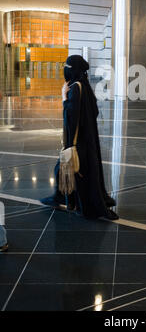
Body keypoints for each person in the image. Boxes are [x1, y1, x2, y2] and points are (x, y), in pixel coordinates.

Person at [41, 55, 118, 221]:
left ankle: (77, 204)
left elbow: (71, 114)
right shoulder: (85, 86)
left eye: (67, 66)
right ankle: (61, 198)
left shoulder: (75, 88)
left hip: (78, 141)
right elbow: (94, 112)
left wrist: (63, 98)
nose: (65, 70)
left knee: (71, 171)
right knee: (77, 171)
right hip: (88, 139)